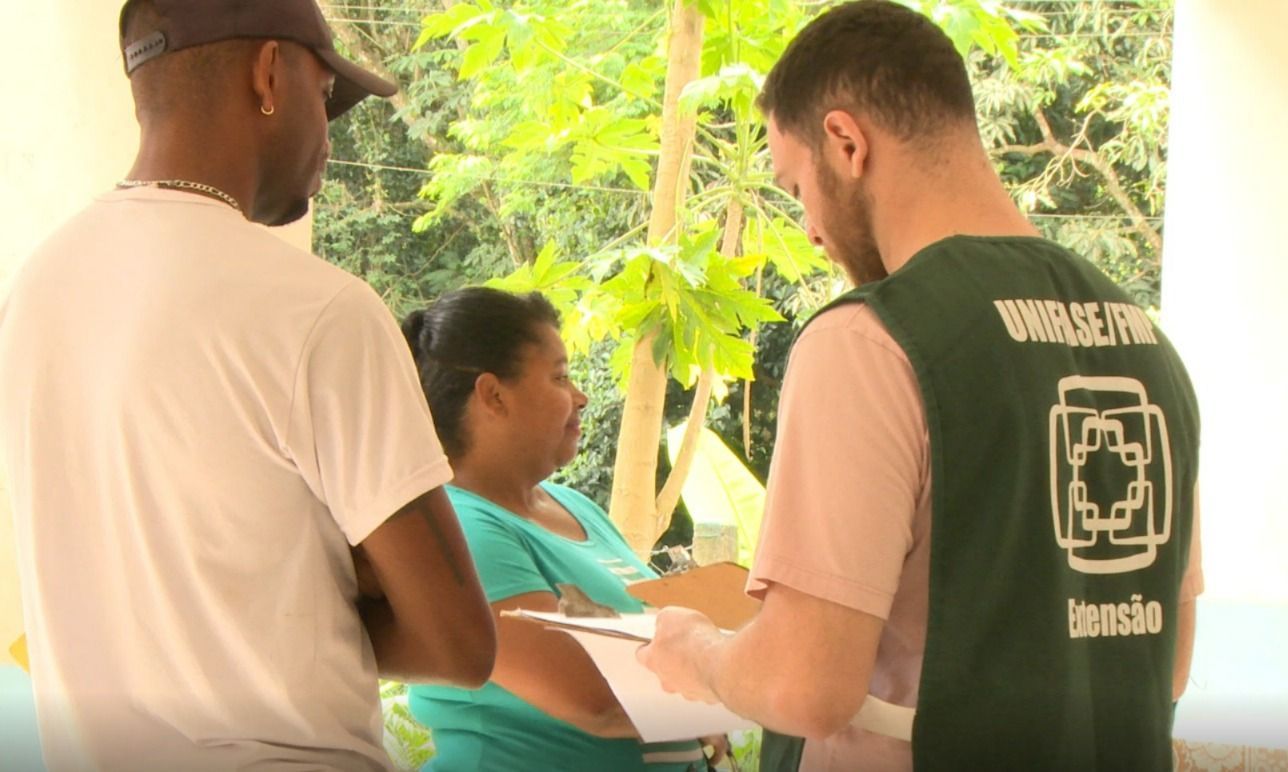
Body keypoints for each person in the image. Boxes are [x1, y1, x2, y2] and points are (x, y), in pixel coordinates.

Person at [637, 2, 1202, 770]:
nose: (807, 228)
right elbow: (1166, 662)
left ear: (845, 142)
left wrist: (697, 649)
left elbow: (807, 685)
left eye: (797, 187)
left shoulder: (870, 343)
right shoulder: (1146, 345)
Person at [0, 1, 496, 769]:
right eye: (326, 97)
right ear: (269, 73)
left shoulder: (34, 292)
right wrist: (334, 586)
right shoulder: (319, 311)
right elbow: (460, 644)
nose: (331, 135)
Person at [400, 287, 723, 771]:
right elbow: (592, 696)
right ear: (493, 395)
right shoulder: (460, 524)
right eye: (560, 377)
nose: (581, 396)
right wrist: (743, 680)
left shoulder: (575, 507)